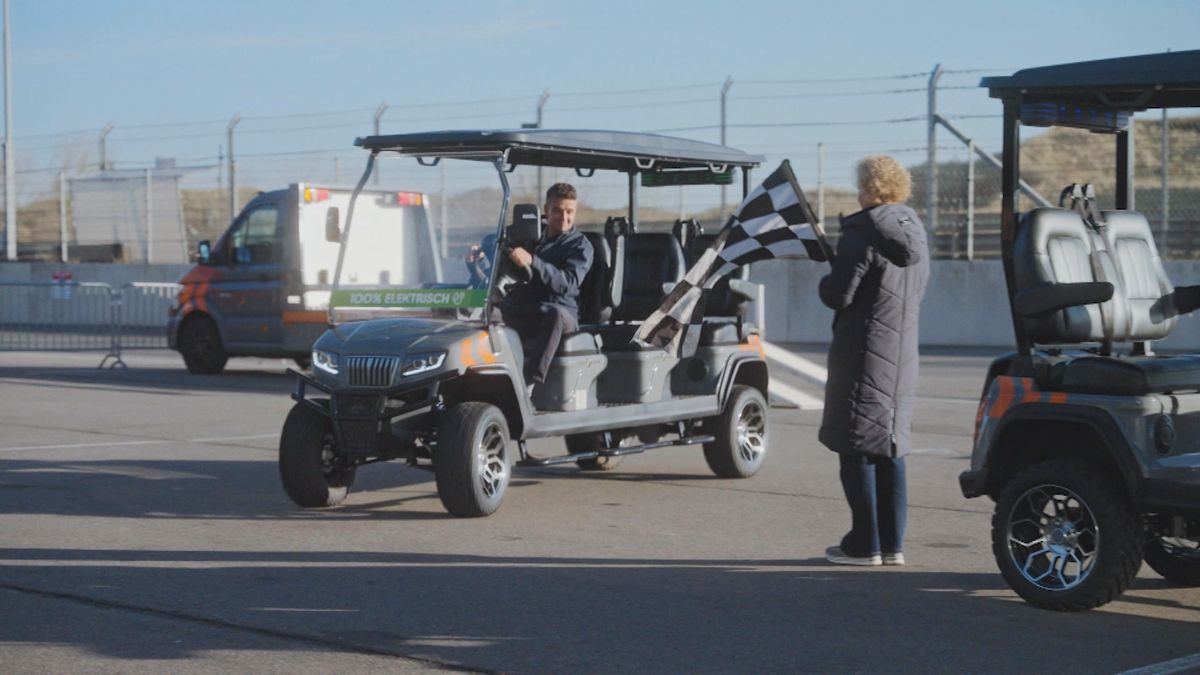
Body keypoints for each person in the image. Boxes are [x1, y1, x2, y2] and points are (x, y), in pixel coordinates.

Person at [818, 155, 930, 567]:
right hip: (902, 353)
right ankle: (892, 543)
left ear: (867, 187)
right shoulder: (914, 230)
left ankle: (864, 544)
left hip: (862, 352)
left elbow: (839, 295)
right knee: (890, 446)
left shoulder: (861, 232)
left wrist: (826, 278)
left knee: (856, 445)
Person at [494, 183, 593, 393]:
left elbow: (567, 284)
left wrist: (533, 261)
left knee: (554, 315)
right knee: (489, 312)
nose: (563, 217)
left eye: (569, 211)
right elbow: (502, 273)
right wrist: (479, 261)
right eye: (557, 210)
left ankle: (529, 384)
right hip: (526, 307)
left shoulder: (580, 245)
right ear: (546, 210)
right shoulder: (527, 237)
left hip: (561, 313)